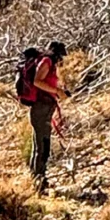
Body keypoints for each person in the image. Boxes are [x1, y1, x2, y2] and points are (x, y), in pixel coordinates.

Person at [27, 39, 68, 188]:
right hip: (41, 108)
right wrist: (57, 91)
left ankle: (36, 179)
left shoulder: (49, 63)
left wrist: (60, 91)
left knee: (40, 144)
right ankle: (39, 181)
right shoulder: (46, 61)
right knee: (42, 145)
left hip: (44, 107)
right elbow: (37, 81)